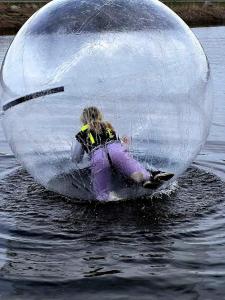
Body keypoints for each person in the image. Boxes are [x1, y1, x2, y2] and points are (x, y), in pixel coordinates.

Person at [72, 106, 173, 201]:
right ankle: (145, 177)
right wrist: (125, 145)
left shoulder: (82, 133)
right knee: (136, 171)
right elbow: (119, 146)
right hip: (116, 150)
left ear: (83, 120)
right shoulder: (108, 126)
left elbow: (76, 158)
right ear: (99, 116)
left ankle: (114, 199)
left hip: (98, 156)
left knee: (101, 195)